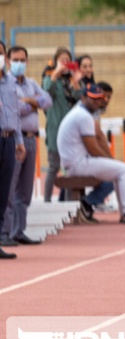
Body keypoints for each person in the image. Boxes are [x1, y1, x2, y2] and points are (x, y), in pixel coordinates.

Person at [57, 84, 125, 224]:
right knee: (123, 169)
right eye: (93, 99)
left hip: (73, 163)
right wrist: (110, 161)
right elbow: (93, 148)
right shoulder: (83, 116)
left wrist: (109, 162)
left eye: (99, 99)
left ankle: (89, 204)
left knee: (117, 170)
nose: (96, 102)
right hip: (78, 164)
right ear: (83, 97)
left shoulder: (78, 112)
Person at [1, 45, 52, 246]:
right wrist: (33, 104)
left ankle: (18, 230)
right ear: (8, 61)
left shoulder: (31, 83)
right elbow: (14, 109)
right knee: (8, 188)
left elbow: (47, 100)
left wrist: (28, 101)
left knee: (25, 190)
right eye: (15, 59)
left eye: (23, 60)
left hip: (30, 139)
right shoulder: (6, 83)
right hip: (12, 138)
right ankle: (4, 232)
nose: (19, 63)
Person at [73, 80, 116, 224]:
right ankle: (86, 203)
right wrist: (109, 160)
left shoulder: (93, 111)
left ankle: (84, 205)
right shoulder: (86, 113)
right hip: (77, 159)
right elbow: (98, 137)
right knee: (114, 176)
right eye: (104, 97)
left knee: (113, 172)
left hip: (80, 158)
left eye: (109, 97)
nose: (107, 100)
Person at [43, 47, 81, 202]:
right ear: (55, 62)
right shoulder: (50, 78)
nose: (65, 63)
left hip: (72, 132)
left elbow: (81, 99)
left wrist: (77, 81)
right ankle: (46, 201)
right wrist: (56, 73)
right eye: (62, 60)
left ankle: (69, 202)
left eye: (68, 60)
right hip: (56, 129)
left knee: (70, 169)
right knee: (53, 167)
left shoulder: (72, 81)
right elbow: (47, 92)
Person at [0, 40, 27, 259]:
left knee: (4, 190)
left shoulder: (10, 83)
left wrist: (19, 140)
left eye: (1, 54)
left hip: (9, 139)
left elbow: (15, 114)